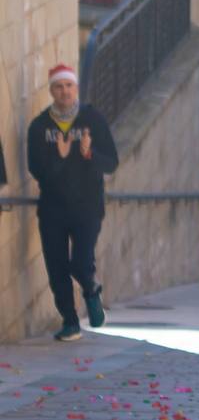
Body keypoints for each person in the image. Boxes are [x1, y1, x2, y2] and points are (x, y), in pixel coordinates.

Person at [26, 63, 118, 342]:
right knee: (56, 267)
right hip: (52, 208)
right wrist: (61, 156)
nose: (64, 91)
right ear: (51, 91)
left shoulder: (93, 119)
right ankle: (70, 321)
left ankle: (90, 290)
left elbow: (111, 162)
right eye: (58, 86)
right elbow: (36, 169)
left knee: (80, 263)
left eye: (69, 85)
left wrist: (88, 154)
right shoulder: (40, 126)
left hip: (87, 207)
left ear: (75, 88)